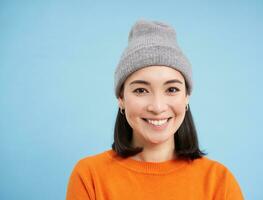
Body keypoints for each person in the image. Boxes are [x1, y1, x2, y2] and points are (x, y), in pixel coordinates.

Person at [66, 19, 244, 200]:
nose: (158, 107)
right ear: (121, 98)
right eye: (141, 90)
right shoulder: (89, 177)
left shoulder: (219, 182)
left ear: (186, 97)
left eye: (172, 89)